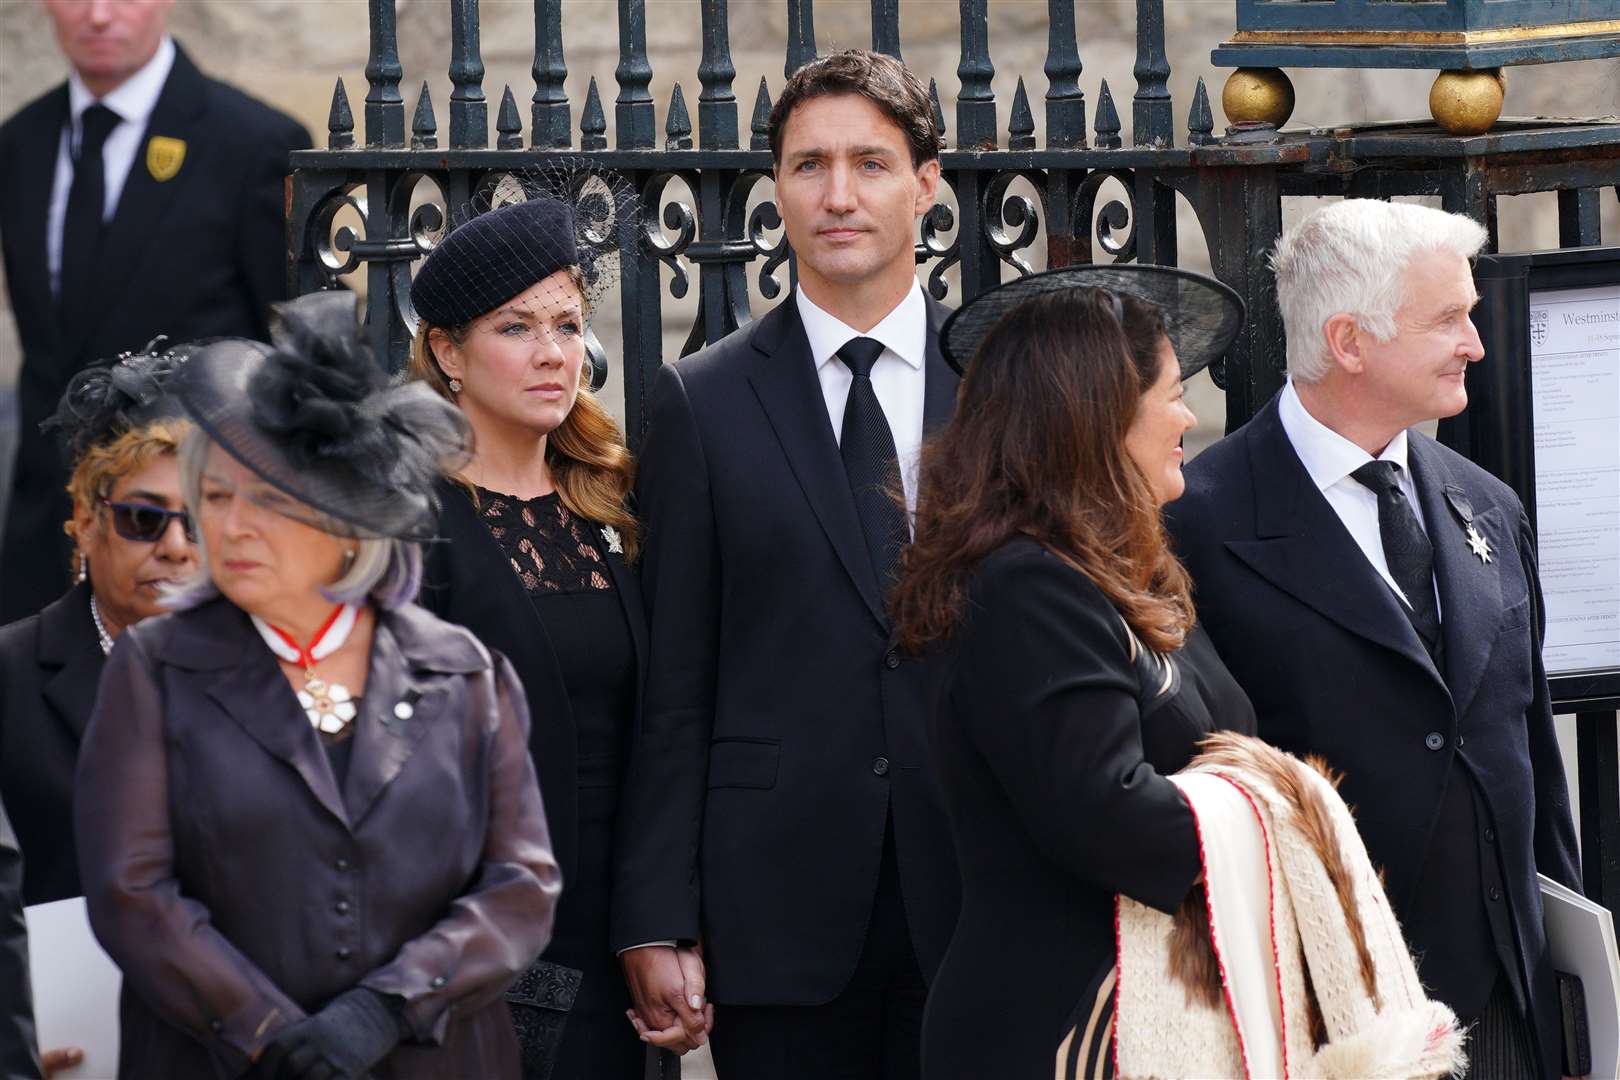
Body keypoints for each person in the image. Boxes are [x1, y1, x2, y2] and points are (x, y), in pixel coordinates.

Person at [74, 292, 561, 1080]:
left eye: (267, 500)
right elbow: (132, 894)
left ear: (350, 525)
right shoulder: (154, 669)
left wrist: (386, 1008)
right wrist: (264, 1032)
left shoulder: (464, 671)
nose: (230, 529)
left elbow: (520, 887)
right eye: (218, 497)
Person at [1166, 199, 1583, 1079]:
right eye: (1448, 319)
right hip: (1327, 1020)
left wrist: (1568, 988)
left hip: (1505, 1006)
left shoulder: (1486, 503)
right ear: (1350, 341)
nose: (1475, 342)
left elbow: (1534, 766)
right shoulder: (1198, 523)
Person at [613, 48, 961, 1079]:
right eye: (809, 166)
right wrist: (656, 914)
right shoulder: (700, 400)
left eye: (870, 163)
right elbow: (674, 678)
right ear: (777, 188)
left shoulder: (999, 379)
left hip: (982, 894)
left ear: (927, 184)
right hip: (777, 912)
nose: (838, 195)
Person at [887, 265, 1255, 1079]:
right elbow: (1107, 813)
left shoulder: (1123, 574)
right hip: (1059, 1030)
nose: (1189, 415)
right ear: (1100, 416)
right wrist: (1280, 817)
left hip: (1148, 1017)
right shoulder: (1029, 587)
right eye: (1172, 392)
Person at [408, 190, 656, 1079]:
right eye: (516, 328)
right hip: (484, 932)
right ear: (448, 353)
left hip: (620, 928)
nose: (553, 354)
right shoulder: (412, 524)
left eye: (566, 325)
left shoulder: (609, 504)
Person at [0, 0, 311, 623]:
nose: (98, 15)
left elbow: (292, 350)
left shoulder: (253, 143)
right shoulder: (19, 143)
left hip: (190, 526)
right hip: (47, 532)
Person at [0, 341, 195, 906]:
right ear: (87, 524)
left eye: (201, 522)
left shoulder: (264, 667)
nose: (177, 548)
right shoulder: (11, 677)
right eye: (143, 519)